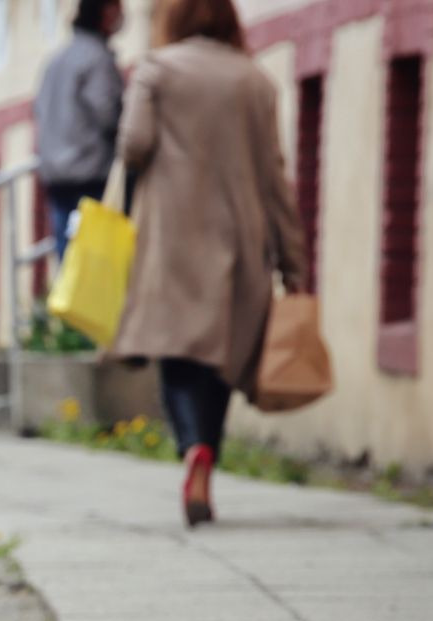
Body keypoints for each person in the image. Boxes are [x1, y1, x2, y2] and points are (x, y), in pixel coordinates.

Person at [112, 0, 306, 527]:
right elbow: (274, 176)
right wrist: (293, 262)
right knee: (221, 357)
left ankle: (192, 447)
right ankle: (207, 456)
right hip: (240, 240)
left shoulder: (157, 69)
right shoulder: (256, 82)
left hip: (171, 238)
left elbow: (134, 145)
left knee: (176, 352)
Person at [36, 0, 126, 264]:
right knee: (96, 267)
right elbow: (109, 116)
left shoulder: (56, 60)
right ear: (106, 12)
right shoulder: (96, 59)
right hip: (89, 177)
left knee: (69, 263)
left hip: (56, 176)